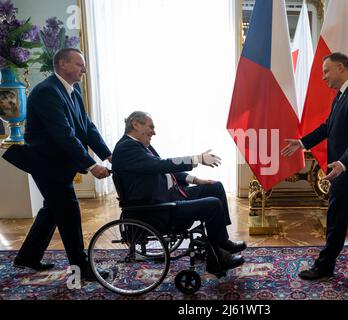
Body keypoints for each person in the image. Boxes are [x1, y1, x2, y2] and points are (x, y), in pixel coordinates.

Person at [2, 48, 111, 281]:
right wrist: (92, 166)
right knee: (68, 212)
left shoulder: (74, 89)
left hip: (60, 163)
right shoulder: (46, 92)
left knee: (53, 210)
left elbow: (86, 126)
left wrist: (109, 155)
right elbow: (65, 135)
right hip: (47, 165)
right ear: (62, 64)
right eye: (79, 64)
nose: (84, 69)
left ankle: (27, 257)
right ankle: (82, 269)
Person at [281, 52, 348, 280]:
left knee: (337, 215)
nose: (323, 77)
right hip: (343, 167)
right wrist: (301, 142)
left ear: (341, 68)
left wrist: (343, 163)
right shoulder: (343, 94)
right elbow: (328, 126)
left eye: (326, 71)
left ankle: (324, 267)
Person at [112, 111, 247, 276]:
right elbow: (162, 165)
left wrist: (196, 180)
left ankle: (220, 244)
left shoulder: (140, 145)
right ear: (135, 124)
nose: (154, 132)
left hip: (170, 196)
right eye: (151, 127)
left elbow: (166, 170)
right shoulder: (127, 148)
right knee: (212, 204)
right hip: (157, 209)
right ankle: (219, 252)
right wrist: (197, 158)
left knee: (215, 187)